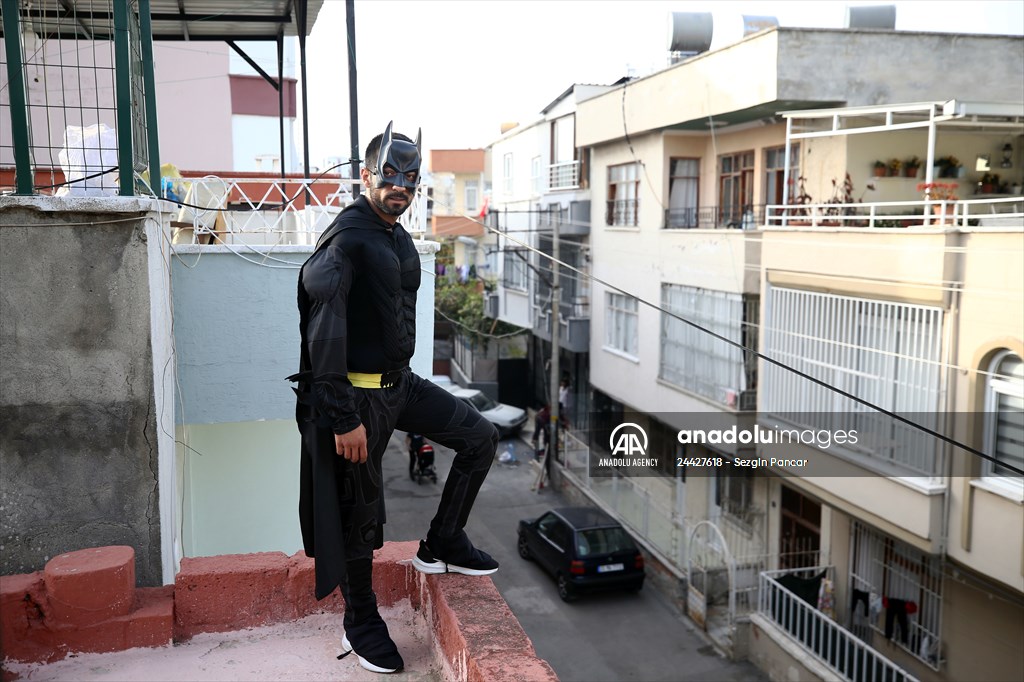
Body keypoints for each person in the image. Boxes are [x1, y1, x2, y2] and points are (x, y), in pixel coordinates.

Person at [290, 122, 499, 675]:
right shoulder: (347, 240)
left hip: (399, 386)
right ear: (365, 176)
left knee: (480, 437)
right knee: (360, 517)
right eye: (389, 174)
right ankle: (360, 621)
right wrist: (340, 419)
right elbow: (323, 336)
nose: (400, 185)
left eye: (410, 176)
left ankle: (444, 542)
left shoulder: (396, 234)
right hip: (355, 404)